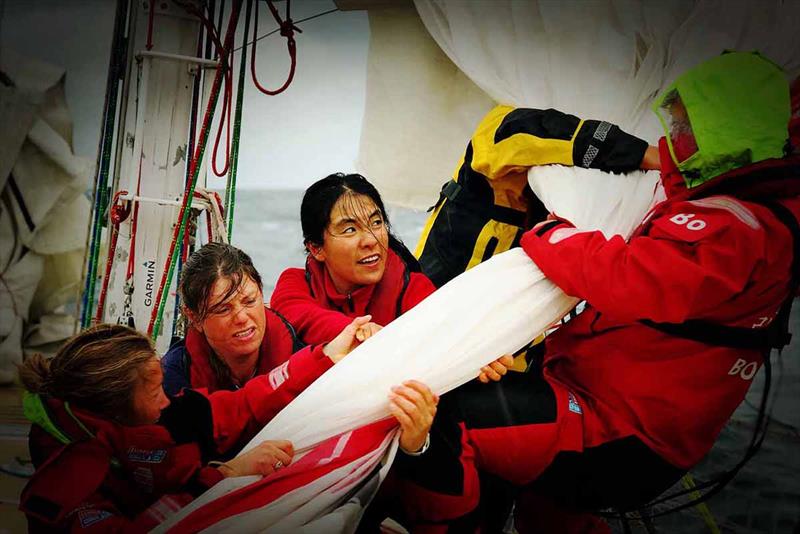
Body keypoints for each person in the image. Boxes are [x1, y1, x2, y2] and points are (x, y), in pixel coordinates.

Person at [396, 51, 799, 533]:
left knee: (442, 418)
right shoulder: (738, 201)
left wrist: (553, 233)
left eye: (684, 127)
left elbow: (630, 278)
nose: (674, 137)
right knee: (543, 503)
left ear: (727, 132)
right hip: (601, 405)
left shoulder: (735, 228)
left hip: (614, 430)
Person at [18, 320, 365, 532]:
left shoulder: (140, 421)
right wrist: (224, 476)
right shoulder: (69, 482)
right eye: (155, 393)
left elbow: (240, 404)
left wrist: (325, 356)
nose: (165, 400)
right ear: (114, 409)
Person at [161, 243, 305, 396]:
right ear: (195, 318)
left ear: (261, 293)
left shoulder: (303, 362)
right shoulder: (172, 381)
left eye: (250, 301)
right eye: (223, 309)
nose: (242, 318)